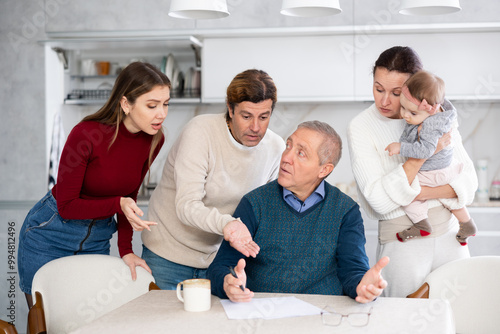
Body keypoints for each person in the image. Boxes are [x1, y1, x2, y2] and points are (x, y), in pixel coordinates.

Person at [18, 61, 170, 307]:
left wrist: (126, 250)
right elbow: (67, 206)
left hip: (97, 239)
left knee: (89, 322)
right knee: (45, 325)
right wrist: (118, 203)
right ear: (125, 104)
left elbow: (128, 197)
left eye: (165, 104)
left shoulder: (154, 139)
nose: (161, 113)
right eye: (152, 105)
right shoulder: (86, 134)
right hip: (50, 235)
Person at [207, 121, 389, 304]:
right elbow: (221, 267)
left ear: (324, 170)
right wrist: (227, 283)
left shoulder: (345, 210)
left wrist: (363, 287)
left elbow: (353, 271)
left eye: (301, 153)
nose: (286, 157)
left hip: (321, 317)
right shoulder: (254, 203)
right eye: (288, 145)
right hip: (262, 317)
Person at [347, 46, 477, 298]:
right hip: (402, 243)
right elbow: (379, 201)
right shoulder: (361, 127)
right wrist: (424, 154)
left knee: (458, 317)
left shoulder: (440, 116)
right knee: (401, 321)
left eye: (396, 93)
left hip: (451, 236)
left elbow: (469, 183)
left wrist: (420, 192)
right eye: (378, 89)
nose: (384, 101)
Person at [140, 69, 286, 289]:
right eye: (246, 116)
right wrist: (228, 224)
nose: (255, 127)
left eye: (263, 117)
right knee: (165, 322)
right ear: (230, 108)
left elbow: (265, 211)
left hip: (219, 261)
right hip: (168, 255)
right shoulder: (201, 132)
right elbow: (187, 206)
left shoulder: (275, 148)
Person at [385, 70, 477, 245]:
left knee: (407, 193)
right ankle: (467, 223)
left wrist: (400, 147)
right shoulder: (444, 111)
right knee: (449, 197)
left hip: (432, 171)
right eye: (403, 107)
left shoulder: (430, 126)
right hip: (447, 167)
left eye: (412, 113)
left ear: (432, 110)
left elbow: (425, 151)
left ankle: (421, 224)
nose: (405, 115)